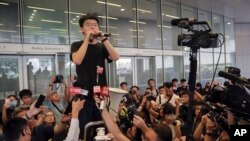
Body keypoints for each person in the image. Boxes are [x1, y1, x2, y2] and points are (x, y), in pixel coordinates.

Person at [70, 13, 119, 139]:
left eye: (95, 25)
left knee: (101, 129)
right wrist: (87, 38)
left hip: (100, 96)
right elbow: (77, 60)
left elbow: (115, 57)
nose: (92, 28)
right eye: (88, 25)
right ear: (81, 29)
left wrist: (104, 39)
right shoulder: (76, 45)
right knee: (85, 129)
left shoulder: (101, 46)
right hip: (83, 96)